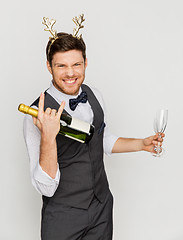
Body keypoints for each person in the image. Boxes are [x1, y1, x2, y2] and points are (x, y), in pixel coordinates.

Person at [23, 16, 164, 240]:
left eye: (76, 64)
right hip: (63, 216)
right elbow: (46, 188)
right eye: (61, 65)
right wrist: (49, 138)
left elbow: (102, 139)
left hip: (101, 209)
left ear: (85, 63)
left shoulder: (93, 95)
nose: (70, 73)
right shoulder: (36, 115)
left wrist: (141, 144)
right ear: (49, 66)